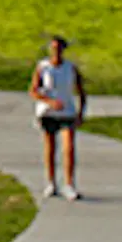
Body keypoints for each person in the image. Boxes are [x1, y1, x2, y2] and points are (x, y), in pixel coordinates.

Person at [32, 34, 87, 199]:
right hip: (48, 112)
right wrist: (49, 101)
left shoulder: (70, 68)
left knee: (68, 147)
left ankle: (69, 184)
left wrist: (80, 113)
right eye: (53, 48)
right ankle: (51, 183)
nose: (55, 52)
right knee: (50, 147)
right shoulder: (43, 67)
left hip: (67, 111)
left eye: (59, 49)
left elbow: (81, 91)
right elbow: (33, 91)